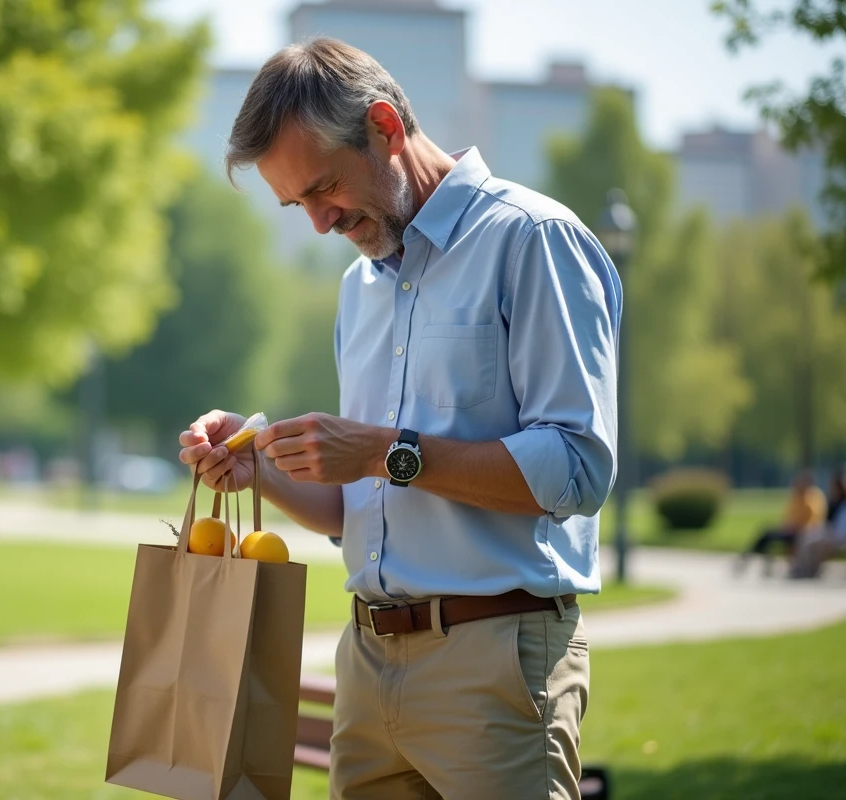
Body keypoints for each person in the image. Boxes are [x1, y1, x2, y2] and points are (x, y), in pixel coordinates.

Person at [178, 39, 621, 800]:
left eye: (323, 189)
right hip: (366, 662)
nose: (319, 223)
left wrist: (387, 452)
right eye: (297, 205)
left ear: (385, 125)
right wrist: (266, 472)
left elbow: (577, 469)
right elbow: (365, 514)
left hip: (495, 662)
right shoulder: (360, 287)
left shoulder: (532, 240)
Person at [736, 469, 826, 577]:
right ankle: (751, 559)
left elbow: (813, 521)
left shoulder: (813, 498)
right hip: (789, 530)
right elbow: (787, 516)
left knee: (768, 535)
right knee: (765, 533)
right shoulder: (796, 497)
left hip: (800, 532)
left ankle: (747, 559)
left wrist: (794, 526)